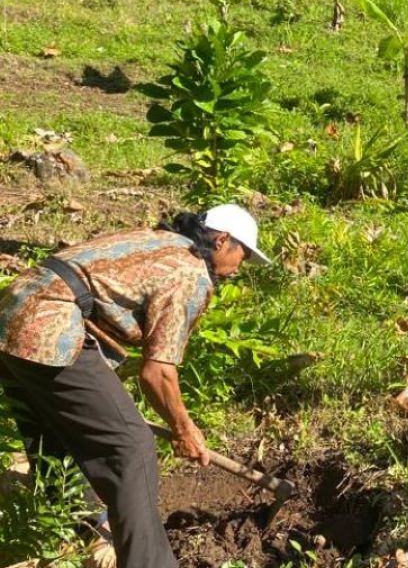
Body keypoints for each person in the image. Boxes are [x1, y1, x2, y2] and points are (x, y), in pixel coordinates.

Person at [0, 204, 270, 568]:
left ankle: (74, 536)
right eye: (243, 255)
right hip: (51, 323)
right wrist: (183, 428)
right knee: (132, 446)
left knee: (54, 434)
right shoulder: (190, 272)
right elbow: (157, 373)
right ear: (222, 240)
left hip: (13, 315)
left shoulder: (159, 241)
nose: (239, 269)